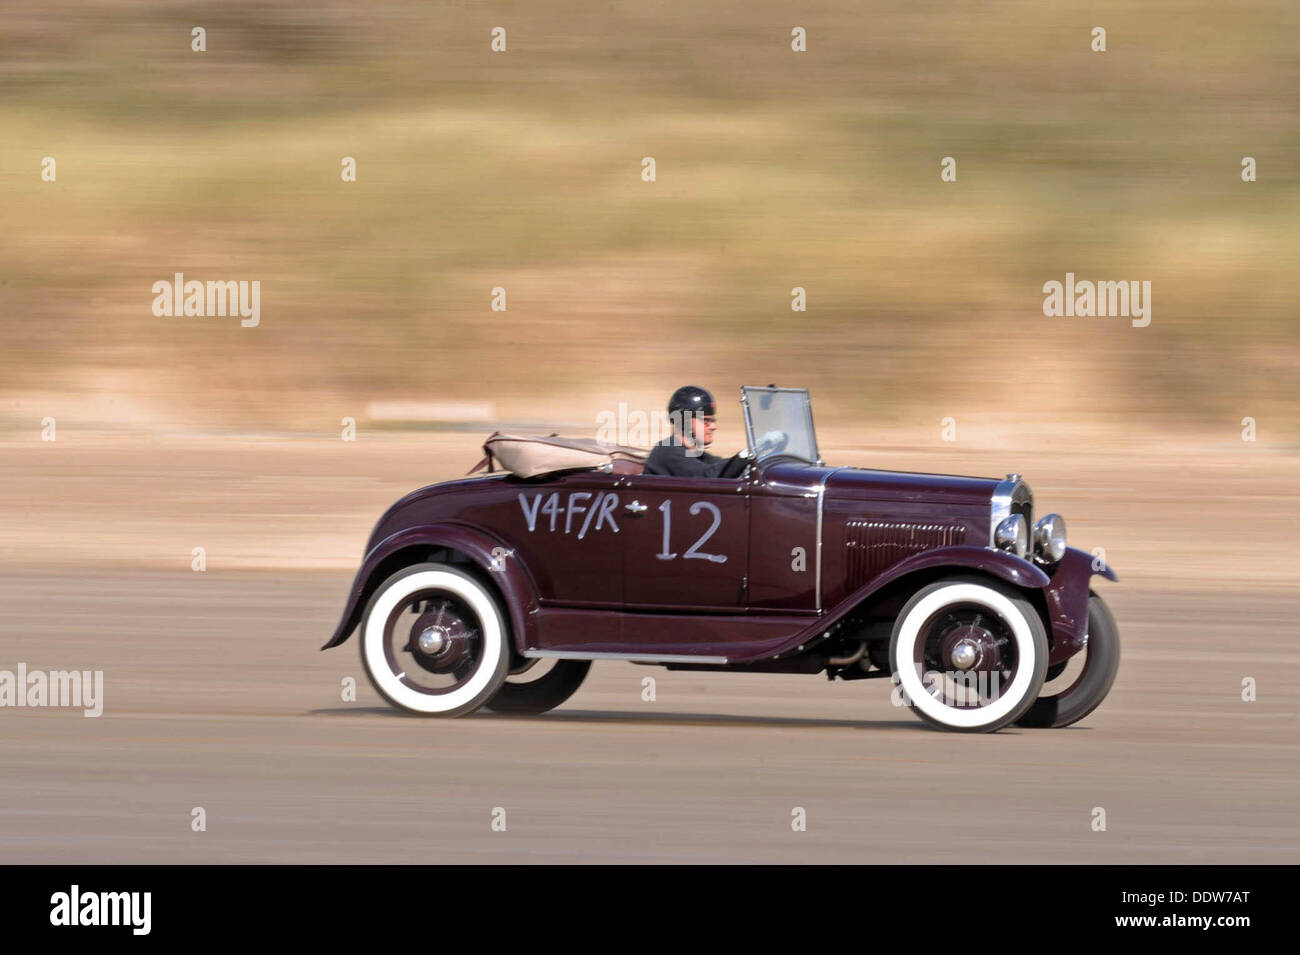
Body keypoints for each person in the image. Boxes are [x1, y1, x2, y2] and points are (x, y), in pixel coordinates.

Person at [644, 386, 750, 478]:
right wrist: (745, 455)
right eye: (706, 421)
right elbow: (708, 477)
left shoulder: (695, 454)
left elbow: (720, 464)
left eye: (712, 421)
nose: (714, 427)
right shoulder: (666, 451)